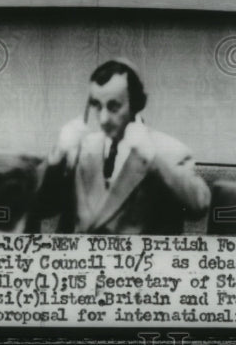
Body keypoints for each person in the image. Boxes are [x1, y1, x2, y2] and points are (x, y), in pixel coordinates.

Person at [35, 59, 211, 234]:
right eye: (97, 106)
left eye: (113, 107)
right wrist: (58, 154)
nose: (103, 119)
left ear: (136, 104)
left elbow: (198, 206)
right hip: (75, 260)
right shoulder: (81, 148)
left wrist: (153, 158)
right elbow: (41, 208)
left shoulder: (169, 150)